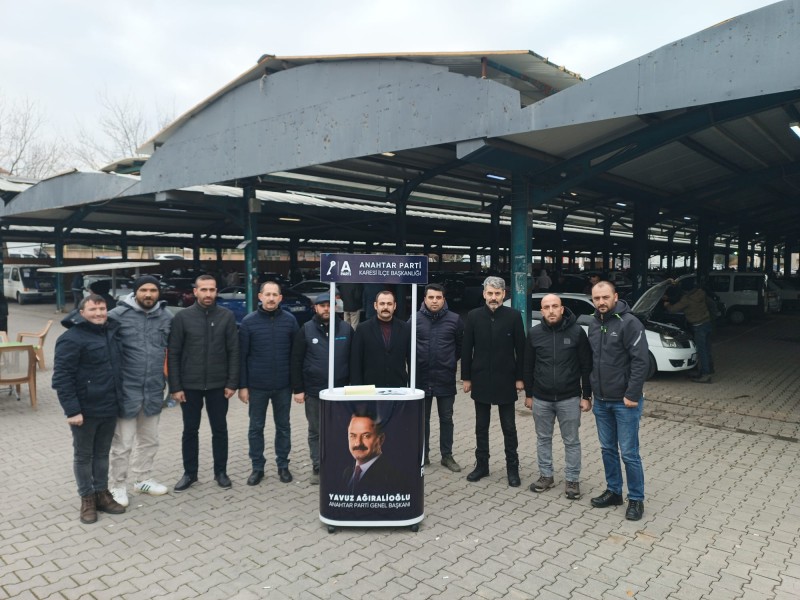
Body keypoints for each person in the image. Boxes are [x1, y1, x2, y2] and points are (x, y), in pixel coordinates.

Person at [52, 294, 127, 524]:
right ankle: (87, 499)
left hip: (109, 406)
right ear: (81, 312)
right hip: (85, 410)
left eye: (102, 309)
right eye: (93, 309)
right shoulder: (71, 338)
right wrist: (72, 410)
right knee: (84, 456)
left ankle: (102, 494)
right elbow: (62, 378)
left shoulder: (111, 332)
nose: (99, 313)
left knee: (102, 454)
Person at [106, 275, 173, 507]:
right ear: (135, 292)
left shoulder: (166, 317)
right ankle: (117, 486)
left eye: (153, 290)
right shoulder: (117, 315)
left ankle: (142, 479)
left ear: (158, 293)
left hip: (153, 390)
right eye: (144, 290)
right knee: (122, 444)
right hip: (127, 391)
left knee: (150, 440)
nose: (148, 294)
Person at [168, 274, 239, 491]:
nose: (208, 294)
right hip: (190, 385)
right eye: (204, 289)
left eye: (212, 289)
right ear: (195, 291)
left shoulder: (227, 316)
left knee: (220, 429)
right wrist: (175, 386)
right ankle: (190, 474)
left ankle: (221, 472)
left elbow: (234, 351)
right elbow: (174, 353)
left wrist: (232, 383)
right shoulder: (182, 318)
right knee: (190, 430)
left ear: (216, 291)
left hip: (219, 385)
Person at [588, 281, 649, 521]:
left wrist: (632, 394)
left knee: (629, 453)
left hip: (625, 402)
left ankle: (636, 499)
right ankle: (614, 491)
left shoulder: (630, 323)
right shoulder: (594, 324)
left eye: (605, 297)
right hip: (601, 400)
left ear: (615, 297)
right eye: (596, 298)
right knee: (607, 449)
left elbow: (640, 361)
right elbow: (591, 360)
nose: (601, 302)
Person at [523, 294, 593, 500]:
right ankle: (546, 476)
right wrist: (529, 394)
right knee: (543, 439)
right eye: (546, 307)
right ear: (541, 311)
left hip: (569, 398)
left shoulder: (577, 332)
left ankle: (572, 480)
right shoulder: (534, 333)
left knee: (571, 441)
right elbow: (528, 366)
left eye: (555, 306)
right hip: (541, 398)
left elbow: (586, 366)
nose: (551, 310)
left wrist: (586, 395)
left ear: (562, 309)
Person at [461, 276, 526, 487]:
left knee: (509, 427)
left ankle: (512, 468)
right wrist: (466, 377)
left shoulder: (514, 316)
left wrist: (520, 378)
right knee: (481, 426)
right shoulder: (473, 316)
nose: (493, 297)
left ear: (504, 294)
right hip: (480, 378)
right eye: (490, 293)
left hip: (507, 379)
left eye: (497, 294)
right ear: (484, 294)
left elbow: (521, 350)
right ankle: (482, 465)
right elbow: (466, 348)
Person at [238, 281, 299, 486]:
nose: (271, 298)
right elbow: (242, 357)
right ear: (260, 297)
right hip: (257, 386)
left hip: (283, 385)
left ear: (280, 298)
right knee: (256, 428)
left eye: (275, 295)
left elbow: (296, 355)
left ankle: (283, 465)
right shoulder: (248, 322)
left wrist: (296, 386)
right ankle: (257, 468)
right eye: (267, 294)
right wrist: (243, 386)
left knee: (283, 427)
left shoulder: (290, 321)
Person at [291, 292, 353, 484]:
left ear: (335, 307)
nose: (326, 309)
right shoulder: (306, 329)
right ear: (315, 308)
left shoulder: (346, 329)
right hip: (314, 390)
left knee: (342, 429)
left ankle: (339, 464)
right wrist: (298, 389)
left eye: (329, 305)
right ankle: (318, 467)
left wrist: (353, 387)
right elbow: (296, 360)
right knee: (316, 431)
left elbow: (354, 359)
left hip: (341, 392)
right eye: (322, 305)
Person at [413, 283, 464, 472]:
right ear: (424, 299)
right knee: (422, 419)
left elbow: (460, 347)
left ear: (444, 299)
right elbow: (407, 346)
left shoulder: (455, 320)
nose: (434, 301)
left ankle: (447, 456)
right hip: (421, 378)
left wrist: (448, 361)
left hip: (445, 377)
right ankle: (423, 455)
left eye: (438, 297)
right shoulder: (415, 319)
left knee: (446, 418)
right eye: (431, 297)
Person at [350, 290, 410, 387]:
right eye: (382, 303)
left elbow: (411, 360)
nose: (385, 307)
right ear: (375, 305)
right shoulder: (363, 329)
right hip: (370, 388)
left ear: (394, 306)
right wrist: (357, 388)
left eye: (389, 304)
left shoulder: (405, 328)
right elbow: (356, 362)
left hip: (398, 388)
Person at [663, 279, 714, 383]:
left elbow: (673, 309)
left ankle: (705, 375)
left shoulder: (686, 299)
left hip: (698, 326)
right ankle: (709, 369)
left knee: (701, 351)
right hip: (707, 323)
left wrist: (667, 304)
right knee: (707, 349)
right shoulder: (700, 292)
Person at [343, 410, 398, 494]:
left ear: (381, 439)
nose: (358, 443)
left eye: (366, 436)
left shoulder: (391, 476)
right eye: (353, 436)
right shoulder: (347, 473)